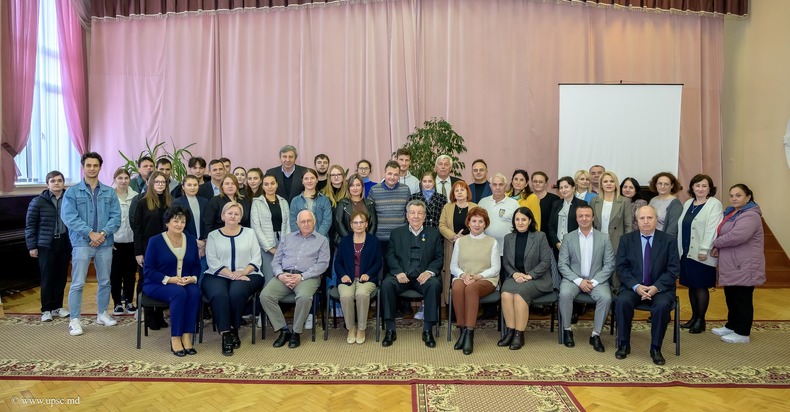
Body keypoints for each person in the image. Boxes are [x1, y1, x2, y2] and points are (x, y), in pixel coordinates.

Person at [61, 152, 122, 336]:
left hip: (105, 242)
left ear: (100, 167)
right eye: (88, 165)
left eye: (95, 165)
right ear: (83, 167)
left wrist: (102, 234)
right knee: (78, 283)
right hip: (81, 242)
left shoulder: (109, 192)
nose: (92, 168)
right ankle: (75, 320)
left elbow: (116, 217)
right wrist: (90, 233)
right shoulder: (72, 192)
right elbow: (69, 217)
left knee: (105, 281)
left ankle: (102, 313)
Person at [614, 205, 680, 365]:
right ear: (636, 221)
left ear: (656, 219)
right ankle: (624, 343)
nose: (646, 221)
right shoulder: (626, 240)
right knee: (622, 301)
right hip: (634, 287)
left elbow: (673, 270)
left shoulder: (669, 240)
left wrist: (656, 287)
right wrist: (636, 286)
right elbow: (621, 268)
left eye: (649, 218)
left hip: (660, 288)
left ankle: (656, 348)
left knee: (662, 306)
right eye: (642, 218)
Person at [203, 202, 264, 356]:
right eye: (229, 213)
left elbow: (256, 258)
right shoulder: (213, 235)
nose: (233, 216)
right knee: (219, 294)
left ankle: (234, 327)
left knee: (236, 292)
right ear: (223, 216)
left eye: (236, 214)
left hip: (248, 274)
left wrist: (243, 272)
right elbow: (212, 260)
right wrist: (231, 274)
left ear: (240, 217)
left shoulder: (250, 233)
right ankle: (227, 334)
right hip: (217, 274)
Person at [262, 210, 330, 349]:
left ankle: (296, 332)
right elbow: (276, 261)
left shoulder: (322, 240)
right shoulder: (287, 238)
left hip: (308, 277)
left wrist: (302, 276)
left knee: (304, 297)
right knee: (265, 296)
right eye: (303, 221)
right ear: (297, 223)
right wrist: (280, 275)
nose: (306, 224)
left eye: (309, 221)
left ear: (314, 222)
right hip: (284, 275)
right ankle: (283, 330)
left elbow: (322, 264)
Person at [381, 200, 444, 348]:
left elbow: (439, 257)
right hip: (402, 276)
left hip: (423, 277)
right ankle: (390, 330)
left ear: (425, 216)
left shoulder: (434, 233)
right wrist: (398, 272)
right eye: (412, 213)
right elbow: (390, 255)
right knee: (386, 284)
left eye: (419, 213)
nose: (416, 216)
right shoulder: (397, 233)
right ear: (407, 215)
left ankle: (427, 330)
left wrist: (429, 272)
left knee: (434, 285)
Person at [143, 206, 202, 357]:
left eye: (183, 221)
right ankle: (175, 337)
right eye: (175, 221)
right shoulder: (155, 241)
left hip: (184, 281)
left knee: (195, 292)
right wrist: (170, 279)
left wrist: (193, 278)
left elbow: (196, 265)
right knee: (178, 293)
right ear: (167, 222)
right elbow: (148, 270)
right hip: (157, 283)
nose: (179, 224)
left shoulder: (190, 239)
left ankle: (187, 335)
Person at [710, 184, 765, 344]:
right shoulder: (732, 212)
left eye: (738, 195)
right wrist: (718, 245)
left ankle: (742, 332)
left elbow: (737, 236)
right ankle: (732, 325)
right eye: (731, 195)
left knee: (742, 298)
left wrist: (715, 243)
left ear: (748, 197)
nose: (734, 198)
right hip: (732, 263)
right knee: (732, 297)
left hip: (745, 264)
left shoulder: (751, 215)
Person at [558, 205, 614, 352]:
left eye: (587, 215)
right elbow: (562, 264)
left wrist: (593, 282)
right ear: (576, 219)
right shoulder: (568, 238)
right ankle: (567, 330)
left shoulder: (604, 238)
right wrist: (579, 281)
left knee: (606, 298)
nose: (584, 218)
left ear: (593, 217)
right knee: (564, 294)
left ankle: (595, 335)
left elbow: (609, 265)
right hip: (573, 279)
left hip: (597, 280)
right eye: (581, 216)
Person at [498, 207, 553, 350]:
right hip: (515, 277)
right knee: (505, 294)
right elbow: (506, 262)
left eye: (523, 219)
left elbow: (546, 261)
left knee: (519, 294)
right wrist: (514, 274)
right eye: (517, 219)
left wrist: (530, 275)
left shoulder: (540, 236)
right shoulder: (508, 238)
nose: (520, 222)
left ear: (530, 221)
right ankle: (510, 331)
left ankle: (519, 334)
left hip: (537, 278)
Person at [450, 207, 500, 355]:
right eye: (474, 221)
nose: (477, 224)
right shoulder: (460, 242)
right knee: (457, 288)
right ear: (468, 223)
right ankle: (462, 331)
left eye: (481, 221)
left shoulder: (492, 242)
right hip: (464, 276)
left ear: (485, 224)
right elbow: (453, 266)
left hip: (486, 279)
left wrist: (478, 276)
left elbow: (495, 268)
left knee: (471, 289)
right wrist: (463, 275)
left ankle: (469, 334)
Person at [677, 174, 722, 334]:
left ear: (710, 188)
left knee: (701, 286)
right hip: (686, 252)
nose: (700, 189)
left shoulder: (714, 204)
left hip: (702, 254)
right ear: (692, 187)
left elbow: (712, 228)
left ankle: (700, 320)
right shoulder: (688, 203)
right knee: (691, 286)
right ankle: (693, 318)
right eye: (697, 185)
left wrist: (704, 249)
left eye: (704, 186)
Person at [26, 170, 72, 322]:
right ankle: (46, 309)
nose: (56, 183)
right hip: (46, 244)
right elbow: (30, 226)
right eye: (53, 181)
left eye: (59, 180)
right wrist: (32, 246)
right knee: (47, 277)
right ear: (47, 184)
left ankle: (57, 307)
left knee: (61, 277)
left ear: (63, 183)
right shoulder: (38, 201)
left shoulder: (70, 200)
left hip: (64, 243)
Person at [131, 171, 172, 330]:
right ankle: (148, 315)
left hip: (165, 249)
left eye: (163, 182)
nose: (160, 184)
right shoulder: (142, 203)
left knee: (162, 280)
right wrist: (138, 252)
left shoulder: (169, 202)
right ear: (150, 183)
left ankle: (159, 314)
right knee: (146, 280)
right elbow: (137, 229)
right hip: (147, 248)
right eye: (157, 182)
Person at [333, 211, 382, 344]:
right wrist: (343, 275)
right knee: (346, 296)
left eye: (361, 222)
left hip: (367, 279)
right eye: (355, 222)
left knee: (361, 294)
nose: (358, 225)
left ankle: (361, 328)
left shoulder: (373, 241)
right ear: (351, 225)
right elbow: (338, 262)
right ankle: (351, 328)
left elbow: (378, 262)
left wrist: (369, 274)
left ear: (366, 224)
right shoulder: (344, 241)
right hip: (347, 278)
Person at [589, 171, 632, 289]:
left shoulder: (624, 201)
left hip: (617, 242)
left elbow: (628, 225)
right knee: (598, 271)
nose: (608, 184)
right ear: (601, 184)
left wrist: (626, 244)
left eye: (611, 181)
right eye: (605, 181)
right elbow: (590, 223)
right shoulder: (594, 200)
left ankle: (616, 296)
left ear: (616, 184)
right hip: (597, 242)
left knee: (615, 274)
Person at [438, 180, 477, 306]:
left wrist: (463, 237)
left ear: (467, 192)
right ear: (453, 193)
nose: (460, 192)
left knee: (467, 274)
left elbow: (478, 225)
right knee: (452, 274)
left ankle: (468, 304)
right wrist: (454, 236)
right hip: (451, 245)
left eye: (462, 190)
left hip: (469, 247)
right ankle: (451, 305)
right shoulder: (447, 207)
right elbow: (442, 225)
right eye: (457, 190)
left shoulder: (475, 207)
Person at [250, 173, 291, 283]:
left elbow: (287, 224)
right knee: (269, 277)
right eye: (266, 184)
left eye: (272, 183)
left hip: (283, 242)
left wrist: (285, 244)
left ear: (277, 184)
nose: (270, 187)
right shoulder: (257, 203)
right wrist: (269, 248)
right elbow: (256, 227)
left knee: (283, 276)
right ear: (262, 186)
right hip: (266, 245)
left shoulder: (283, 202)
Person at [368, 160, 411, 260]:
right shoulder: (374, 190)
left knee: (398, 267)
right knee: (381, 267)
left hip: (399, 238)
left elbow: (408, 213)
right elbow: (370, 215)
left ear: (399, 175)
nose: (392, 177)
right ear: (384, 173)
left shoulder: (405, 189)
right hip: (379, 238)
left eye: (396, 174)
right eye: (389, 174)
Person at [110, 168, 138, 315]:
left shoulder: (136, 196)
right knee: (115, 274)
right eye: (120, 178)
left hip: (132, 241)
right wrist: (108, 239)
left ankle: (129, 301)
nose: (123, 181)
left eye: (126, 178)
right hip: (114, 242)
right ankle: (117, 303)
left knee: (130, 274)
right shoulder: (109, 196)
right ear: (115, 180)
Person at [478, 173, 520, 260]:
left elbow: (519, 226)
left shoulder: (514, 204)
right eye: (494, 184)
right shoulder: (483, 202)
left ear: (505, 186)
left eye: (501, 184)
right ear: (490, 186)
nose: (497, 187)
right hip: (486, 250)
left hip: (507, 251)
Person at [172, 175, 209, 268]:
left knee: (201, 271)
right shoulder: (177, 202)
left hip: (204, 245)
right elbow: (176, 225)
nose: (192, 188)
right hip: (185, 243)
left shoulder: (204, 201)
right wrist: (195, 241)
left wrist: (203, 241)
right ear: (183, 187)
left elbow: (207, 222)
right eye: (189, 185)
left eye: (195, 185)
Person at [547, 176, 587, 258]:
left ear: (573, 188)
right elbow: (550, 225)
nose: (563, 190)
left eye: (566, 187)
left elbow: (584, 226)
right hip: (558, 246)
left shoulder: (582, 204)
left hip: (575, 246)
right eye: (561, 188)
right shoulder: (556, 204)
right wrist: (556, 242)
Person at [334, 173, 377, 246]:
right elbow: (338, 223)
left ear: (362, 187)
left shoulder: (370, 204)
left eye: (358, 185)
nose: (355, 188)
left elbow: (374, 223)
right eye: (352, 185)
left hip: (366, 243)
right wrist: (350, 240)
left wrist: (367, 240)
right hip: (347, 243)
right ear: (348, 188)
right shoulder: (343, 203)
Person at [289, 168, 333, 237]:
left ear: (317, 180)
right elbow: (293, 222)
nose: (309, 181)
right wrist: (302, 237)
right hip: (300, 240)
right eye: (306, 178)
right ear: (302, 181)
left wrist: (317, 237)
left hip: (321, 239)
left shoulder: (324, 200)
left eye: (312, 178)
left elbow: (327, 221)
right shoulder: (295, 201)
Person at [648, 172, 683, 237]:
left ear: (672, 186)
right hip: (650, 237)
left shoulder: (675, 204)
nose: (662, 186)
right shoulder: (653, 200)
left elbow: (672, 230)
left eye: (666, 184)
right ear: (656, 185)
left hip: (663, 239)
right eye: (660, 183)